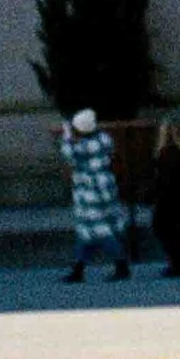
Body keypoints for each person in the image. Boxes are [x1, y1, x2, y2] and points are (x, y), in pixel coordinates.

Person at [59, 106, 128, 284]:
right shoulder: (103, 139)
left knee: (99, 231)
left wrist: (67, 135)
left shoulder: (82, 147)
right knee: (87, 232)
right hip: (106, 188)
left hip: (90, 194)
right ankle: (78, 268)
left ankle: (121, 264)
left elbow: (68, 153)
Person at [147, 120, 180, 280]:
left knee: (164, 229)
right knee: (177, 231)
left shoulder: (166, 152)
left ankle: (177, 264)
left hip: (168, 197)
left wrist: (154, 193)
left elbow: (163, 178)